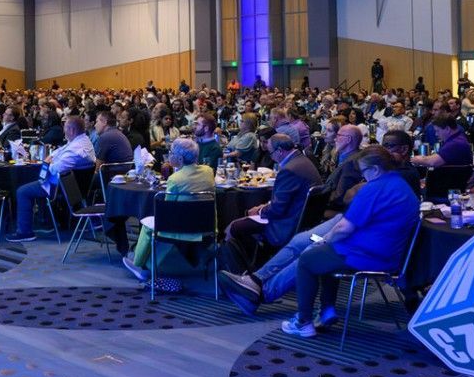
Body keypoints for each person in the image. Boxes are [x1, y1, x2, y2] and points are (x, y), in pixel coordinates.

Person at [222, 147, 419, 339]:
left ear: (375, 169)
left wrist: (324, 241)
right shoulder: (400, 185)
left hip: (368, 255)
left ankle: (303, 321)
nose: (362, 177)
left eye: (363, 171)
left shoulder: (375, 189)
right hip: (379, 251)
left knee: (309, 259)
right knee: (317, 251)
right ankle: (326, 310)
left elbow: (344, 229)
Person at [222, 133, 324, 274]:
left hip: (285, 224)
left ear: (280, 150)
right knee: (244, 220)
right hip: (299, 220)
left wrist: (259, 211)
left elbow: (277, 210)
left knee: (234, 226)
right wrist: (262, 207)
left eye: (270, 152)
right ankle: (256, 265)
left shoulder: (290, 170)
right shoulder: (303, 161)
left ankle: (243, 272)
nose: (270, 156)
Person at [120, 138, 216, 286]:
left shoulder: (175, 179)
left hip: (180, 228)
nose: (169, 155)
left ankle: (139, 264)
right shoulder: (208, 172)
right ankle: (147, 264)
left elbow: (169, 208)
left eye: (171, 153)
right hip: (206, 227)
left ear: (180, 158)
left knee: (149, 225)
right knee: (161, 223)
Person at [11, 115, 96, 243]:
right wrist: (50, 160)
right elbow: (58, 152)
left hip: (62, 188)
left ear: (71, 130)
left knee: (22, 191)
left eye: (65, 128)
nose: (63, 131)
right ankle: (46, 221)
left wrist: (47, 163)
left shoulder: (76, 150)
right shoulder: (83, 141)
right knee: (33, 182)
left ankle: (24, 232)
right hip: (68, 185)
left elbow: (56, 169)